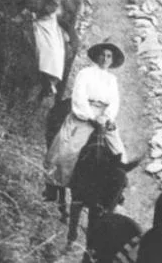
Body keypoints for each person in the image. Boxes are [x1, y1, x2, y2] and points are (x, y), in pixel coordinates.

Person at [44, 41, 127, 193]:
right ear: (97, 56)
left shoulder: (112, 80)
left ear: (112, 60)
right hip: (85, 114)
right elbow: (79, 96)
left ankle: (115, 191)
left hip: (104, 116)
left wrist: (106, 118)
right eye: (102, 55)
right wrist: (90, 116)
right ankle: (54, 184)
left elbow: (114, 102)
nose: (105, 59)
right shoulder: (86, 73)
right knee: (67, 148)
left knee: (120, 154)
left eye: (109, 56)